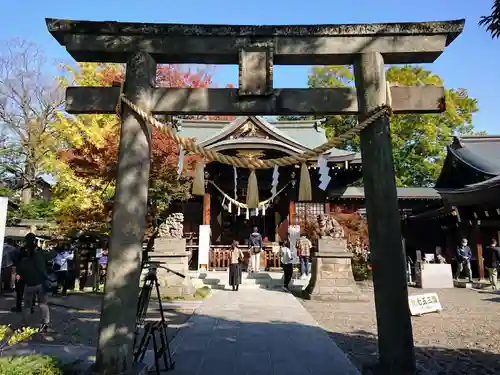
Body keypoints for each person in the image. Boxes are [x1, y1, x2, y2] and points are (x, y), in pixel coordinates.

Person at [15, 233, 50, 331]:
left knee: (27, 305)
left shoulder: (22, 251)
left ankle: (25, 324)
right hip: (40, 282)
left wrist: (20, 277)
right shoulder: (39, 252)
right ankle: (45, 323)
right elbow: (45, 263)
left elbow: (18, 264)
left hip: (28, 281)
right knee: (43, 303)